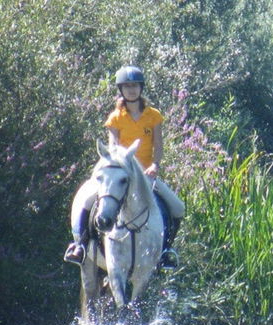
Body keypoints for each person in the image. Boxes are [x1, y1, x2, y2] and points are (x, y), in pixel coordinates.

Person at [64, 65, 185, 269]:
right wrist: (116, 168)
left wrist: (155, 165)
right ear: (121, 89)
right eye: (127, 86)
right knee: (86, 201)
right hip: (117, 174)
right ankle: (81, 245)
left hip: (145, 176)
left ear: (141, 88)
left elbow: (159, 146)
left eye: (135, 86)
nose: (131, 90)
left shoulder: (153, 116)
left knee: (177, 207)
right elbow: (112, 148)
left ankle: (166, 251)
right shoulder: (116, 117)